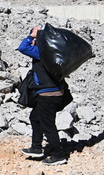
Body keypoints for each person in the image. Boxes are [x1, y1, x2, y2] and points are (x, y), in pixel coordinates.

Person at [17, 26, 69, 166]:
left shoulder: (42, 52)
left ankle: (58, 155)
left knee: (48, 125)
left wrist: (31, 36)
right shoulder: (55, 52)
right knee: (35, 117)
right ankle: (36, 148)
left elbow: (22, 47)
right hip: (54, 93)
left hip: (48, 95)